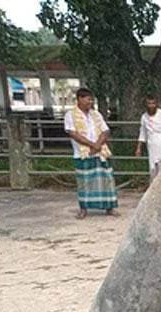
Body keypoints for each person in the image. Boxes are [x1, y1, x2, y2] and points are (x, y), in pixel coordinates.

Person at [64, 87, 116, 219]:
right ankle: (83, 209)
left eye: (91, 100)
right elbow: (73, 133)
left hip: (100, 151)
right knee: (84, 182)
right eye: (88, 99)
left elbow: (105, 131)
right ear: (79, 99)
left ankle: (109, 208)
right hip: (83, 152)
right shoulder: (70, 115)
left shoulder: (96, 114)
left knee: (106, 179)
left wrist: (98, 145)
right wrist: (92, 145)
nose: (90, 102)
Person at [134, 95, 161, 178]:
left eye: (153, 103)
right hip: (152, 145)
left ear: (156, 104)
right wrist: (139, 147)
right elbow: (143, 132)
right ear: (146, 105)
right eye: (149, 103)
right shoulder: (144, 117)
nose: (151, 106)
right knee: (154, 168)